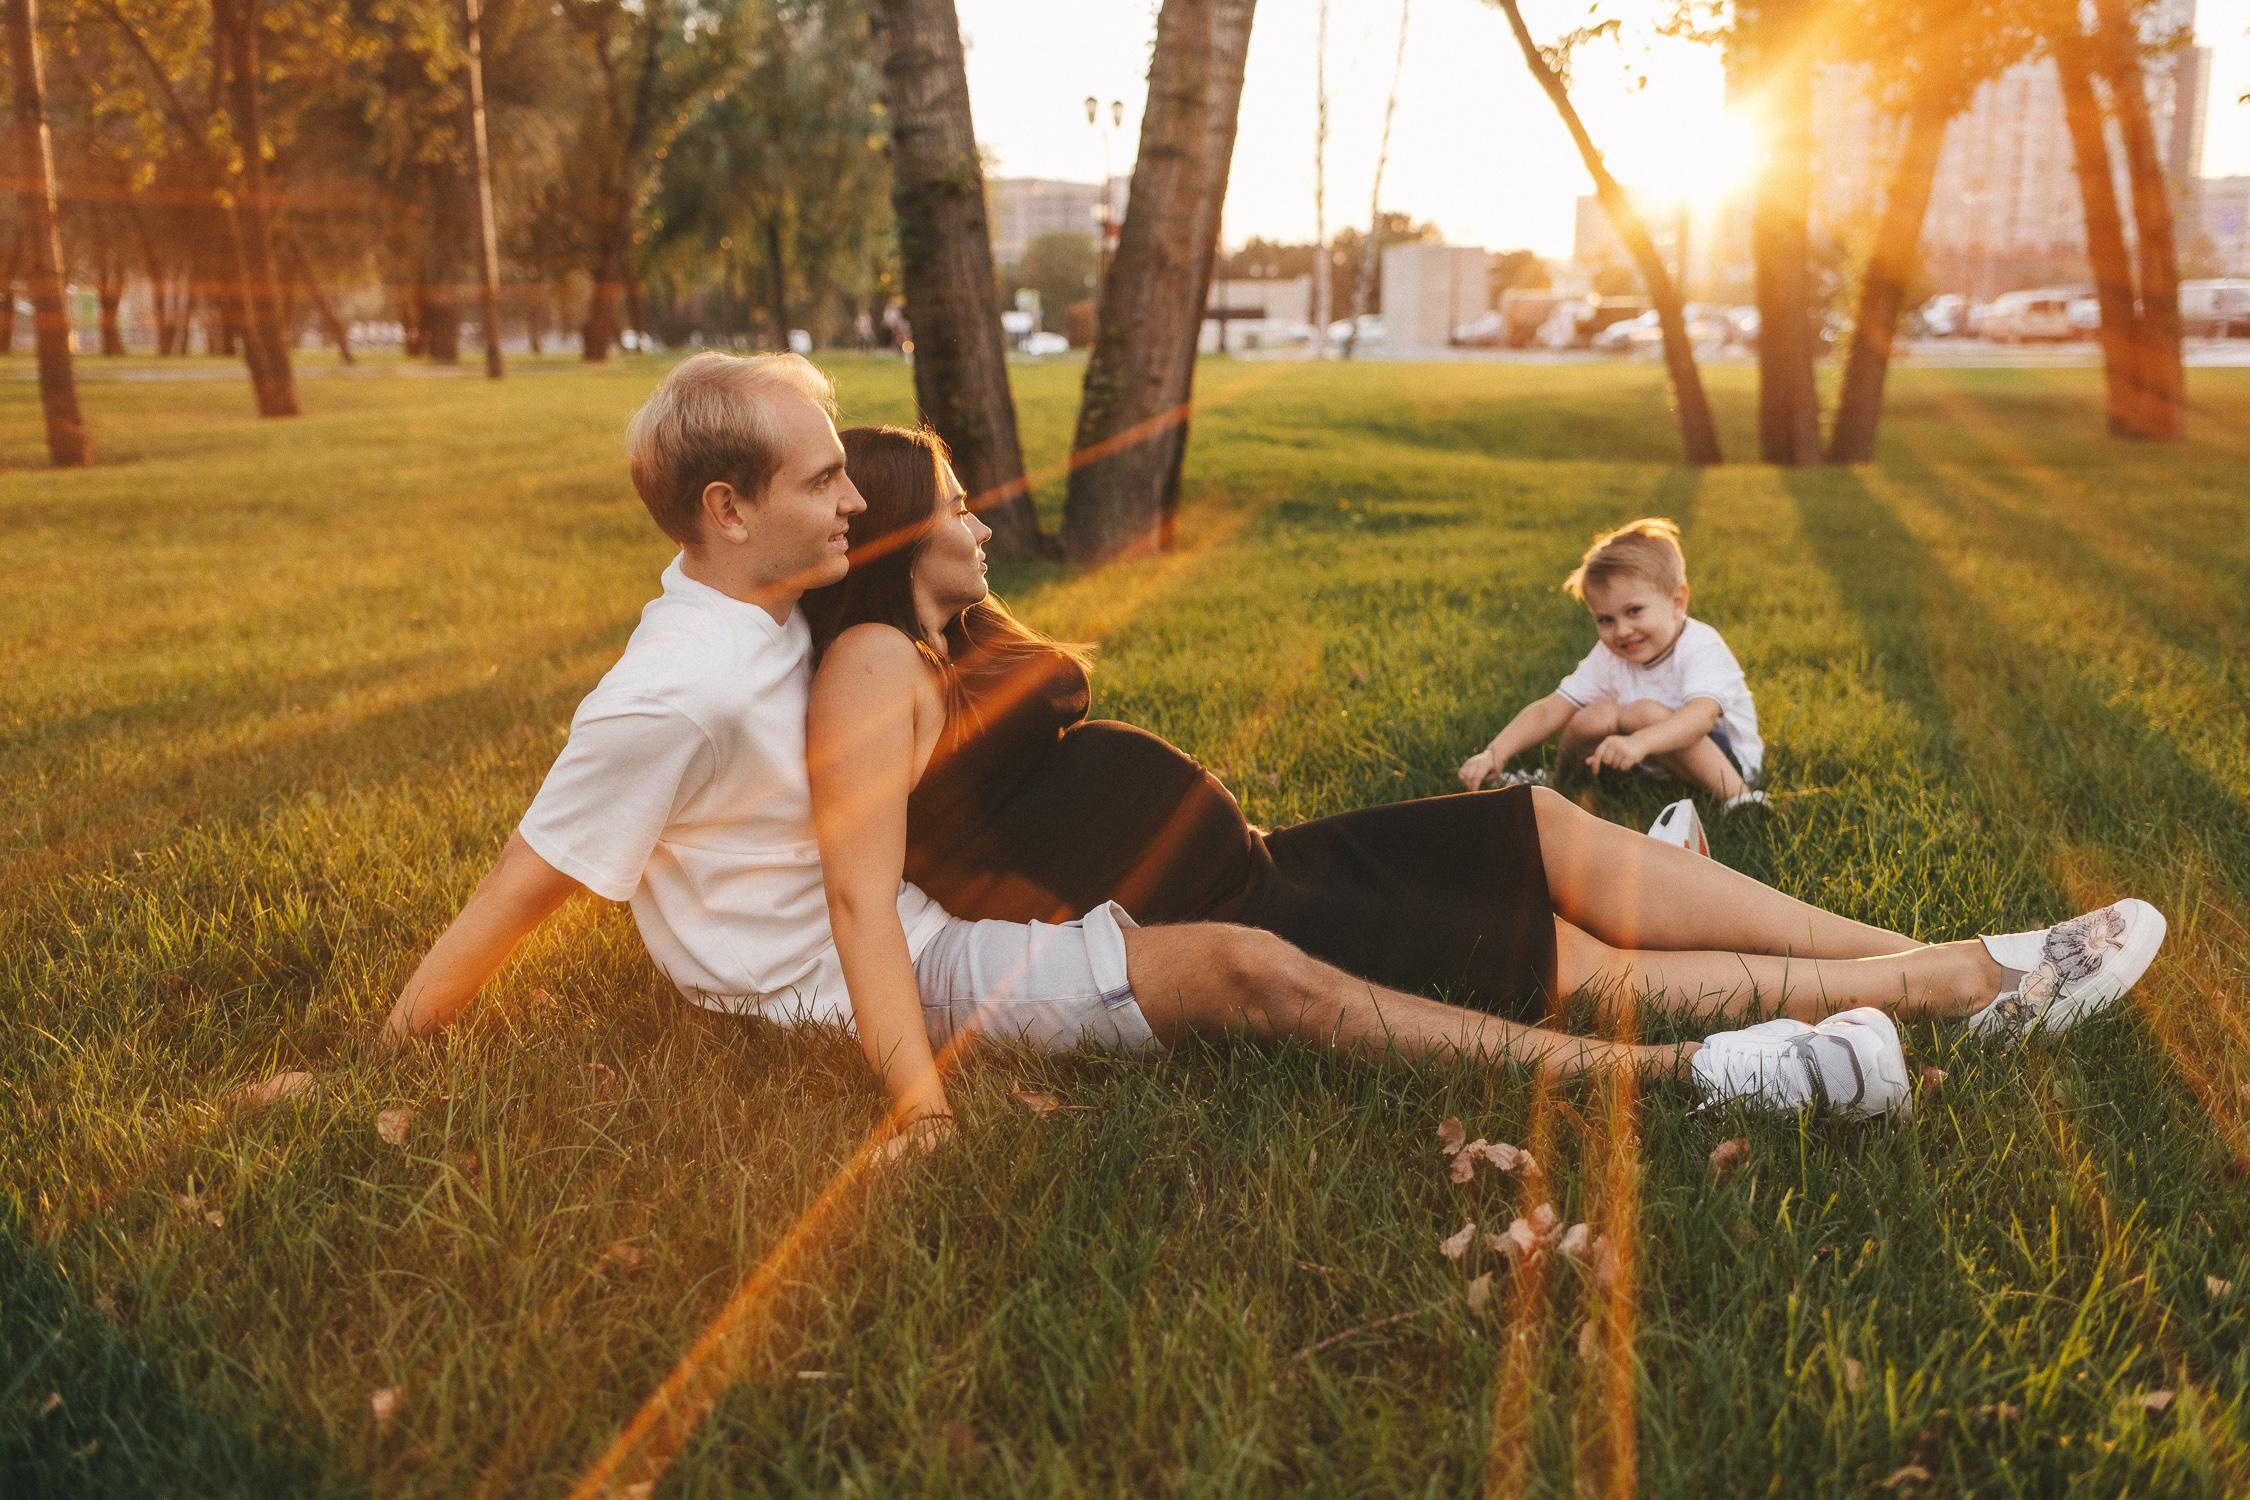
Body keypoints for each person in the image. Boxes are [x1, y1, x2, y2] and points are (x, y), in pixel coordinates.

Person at [800, 423, 2169, 1127]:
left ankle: (1963, 963)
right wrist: (916, 1106)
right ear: (899, 530)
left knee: (1547, 827)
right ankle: (1968, 977)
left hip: (1278, 858)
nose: (979, 519)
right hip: (1260, 911)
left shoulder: (940, 643)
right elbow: (865, 902)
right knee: (1575, 963)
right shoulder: (872, 661)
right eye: (955, 501)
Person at [1458, 517, 1764, 808]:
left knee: (1641, 713)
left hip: (1728, 764)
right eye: (1605, 619)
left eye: (1634, 611)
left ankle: (1741, 800)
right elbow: (1551, 709)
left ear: (1677, 602)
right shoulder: (1610, 654)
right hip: (1660, 759)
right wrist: (1495, 752)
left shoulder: (1700, 644)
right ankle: (1559, 781)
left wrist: (1640, 742)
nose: (1621, 631)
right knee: (1590, 717)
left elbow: (1701, 717)